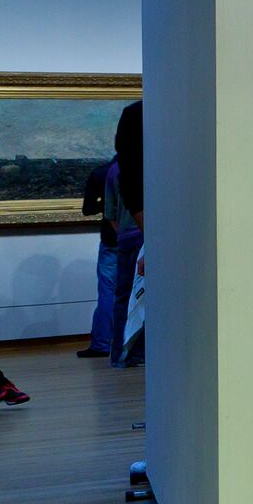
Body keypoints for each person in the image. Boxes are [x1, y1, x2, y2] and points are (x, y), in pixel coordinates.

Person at [111, 102, 145, 368]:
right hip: (138, 236)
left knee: (124, 295)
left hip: (129, 236)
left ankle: (121, 353)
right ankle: (128, 353)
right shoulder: (138, 114)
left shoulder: (111, 172)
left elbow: (111, 211)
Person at [77, 158, 117, 358]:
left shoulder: (101, 173)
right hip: (139, 238)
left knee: (108, 292)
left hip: (111, 239)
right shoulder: (146, 169)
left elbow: (88, 209)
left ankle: (102, 343)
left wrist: (106, 203)